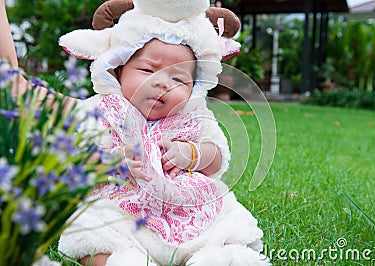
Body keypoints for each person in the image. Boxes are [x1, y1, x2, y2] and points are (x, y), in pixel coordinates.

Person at [1, 0, 270, 265]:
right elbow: (74, 157)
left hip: (185, 208)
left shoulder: (193, 117)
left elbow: (217, 156)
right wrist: (113, 161)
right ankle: (122, 260)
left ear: (195, 87)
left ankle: (218, 257)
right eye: (147, 70)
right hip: (118, 209)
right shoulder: (102, 111)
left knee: (225, 225)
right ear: (118, 71)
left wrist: (192, 154)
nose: (162, 82)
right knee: (92, 233)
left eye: (178, 79)